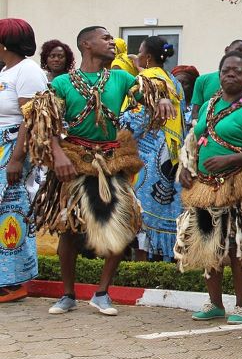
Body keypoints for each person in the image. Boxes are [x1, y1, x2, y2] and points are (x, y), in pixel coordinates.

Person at [24, 26, 174, 316]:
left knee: (121, 227)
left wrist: (162, 98)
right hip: (74, 158)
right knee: (69, 229)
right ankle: (67, 294)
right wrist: (58, 157)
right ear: (86, 44)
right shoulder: (64, 83)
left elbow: (149, 93)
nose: (111, 43)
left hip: (112, 158)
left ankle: (102, 292)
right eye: (105, 38)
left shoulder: (121, 77)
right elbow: (47, 122)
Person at [174, 51, 242, 325]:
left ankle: (241, 306)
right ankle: (215, 303)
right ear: (219, 75)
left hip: (237, 186)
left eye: (237, 71)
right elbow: (194, 141)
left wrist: (230, 159)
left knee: (236, 246)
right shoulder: (208, 106)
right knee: (208, 244)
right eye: (226, 70)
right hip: (206, 187)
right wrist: (186, 167)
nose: (230, 74)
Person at [121, 37, 184, 262]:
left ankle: (141, 263)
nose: (136, 56)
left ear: (147, 57)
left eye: (139, 52)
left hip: (147, 152)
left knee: (142, 209)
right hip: (171, 153)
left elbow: (136, 117)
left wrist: (118, 124)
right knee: (162, 206)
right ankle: (161, 261)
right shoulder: (174, 82)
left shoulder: (145, 80)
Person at [0, 18, 48, 302]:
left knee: (12, 211)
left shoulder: (27, 70)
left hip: (13, 150)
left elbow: (31, 119)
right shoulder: (7, 70)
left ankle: (14, 283)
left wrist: (17, 159)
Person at [191, 40, 242, 120]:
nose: (240, 55)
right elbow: (196, 114)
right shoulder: (202, 81)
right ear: (226, 50)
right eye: (238, 50)